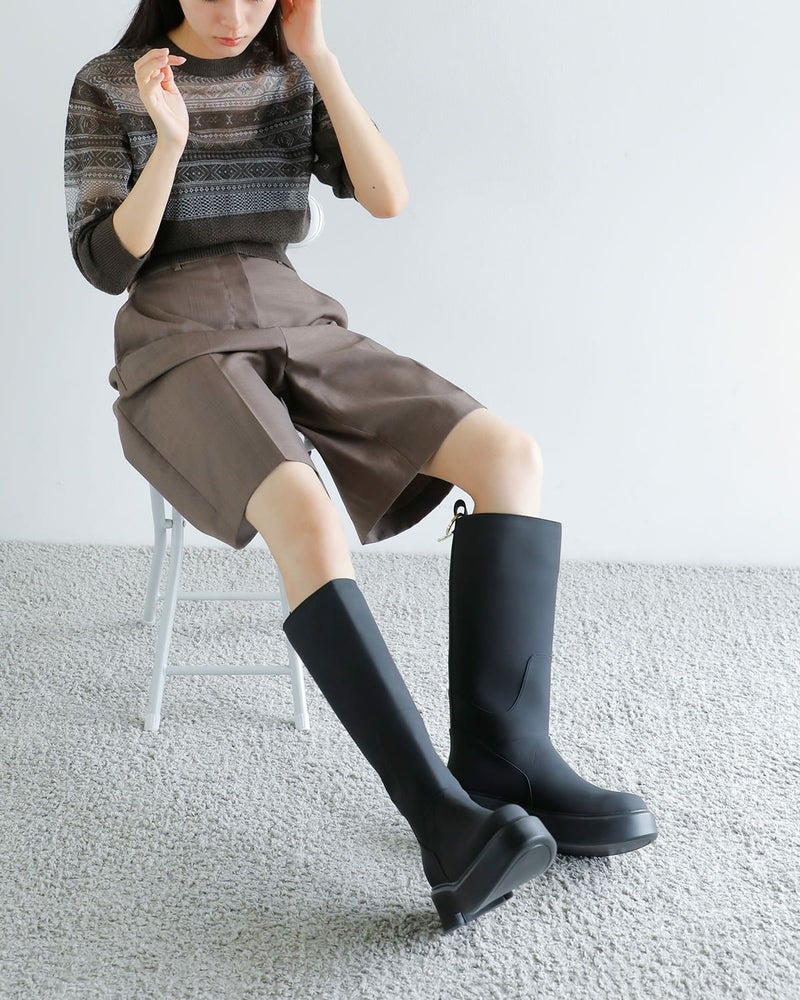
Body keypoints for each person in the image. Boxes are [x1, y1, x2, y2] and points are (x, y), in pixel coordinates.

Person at [64, 0, 658, 933]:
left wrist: (321, 58)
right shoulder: (110, 83)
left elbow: (387, 196)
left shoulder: (288, 72)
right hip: (174, 337)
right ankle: (443, 823)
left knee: (509, 456)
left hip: (294, 314)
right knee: (302, 509)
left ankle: (507, 758)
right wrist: (169, 141)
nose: (235, 14)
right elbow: (104, 264)